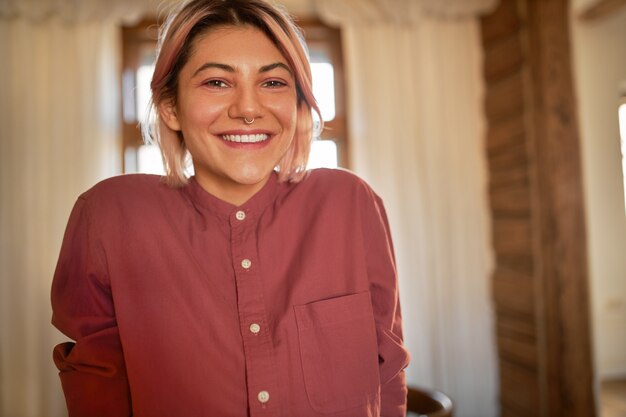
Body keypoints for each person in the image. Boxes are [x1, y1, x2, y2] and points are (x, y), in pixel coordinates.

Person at [51, 0, 410, 416]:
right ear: (170, 107)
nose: (248, 109)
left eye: (273, 82)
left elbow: (387, 368)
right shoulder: (108, 216)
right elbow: (96, 387)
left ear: (297, 104)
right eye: (217, 83)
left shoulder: (350, 202)